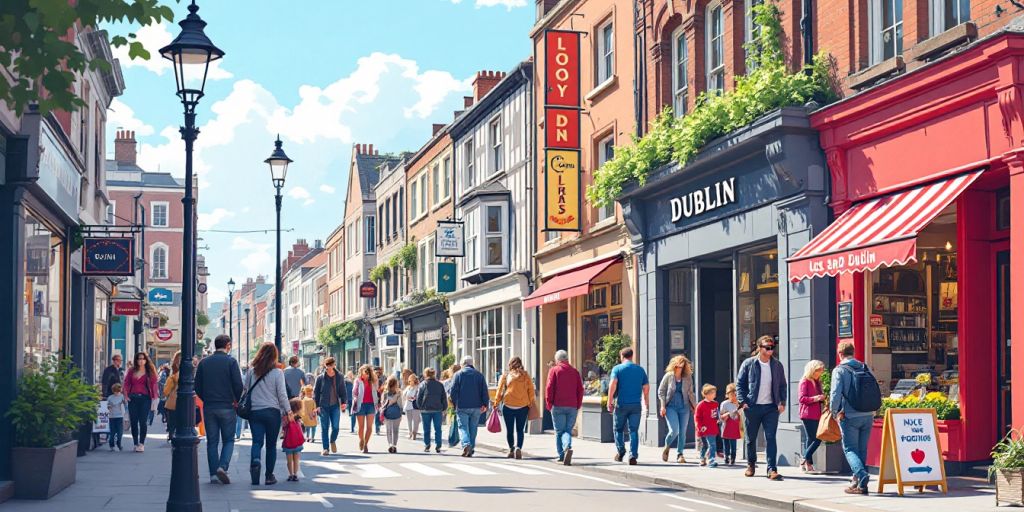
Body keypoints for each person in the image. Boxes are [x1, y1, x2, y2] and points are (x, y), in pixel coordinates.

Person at [736, 335, 787, 480]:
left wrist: (782, 402)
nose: (770, 349)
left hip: (771, 407)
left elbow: (783, 385)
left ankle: (772, 469)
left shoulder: (777, 365)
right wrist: (743, 401)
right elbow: (740, 384)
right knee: (751, 438)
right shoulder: (749, 363)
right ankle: (751, 464)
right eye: (767, 347)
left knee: (770, 438)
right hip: (752, 407)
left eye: (772, 347)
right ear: (759, 348)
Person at [195, 334, 244, 485]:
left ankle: (213, 475)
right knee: (229, 440)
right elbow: (238, 385)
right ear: (228, 345)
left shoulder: (204, 362)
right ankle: (222, 466)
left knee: (212, 442)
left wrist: (206, 398)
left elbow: (197, 386)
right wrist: (236, 399)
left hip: (210, 406)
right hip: (227, 406)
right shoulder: (231, 362)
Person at [830, 341, 877, 495]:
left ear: (840, 354)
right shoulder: (865, 367)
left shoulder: (840, 370)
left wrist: (834, 411)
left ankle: (862, 475)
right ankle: (859, 484)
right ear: (854, 352)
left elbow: (835, 393)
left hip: (849, 414)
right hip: (867, 414)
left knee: (850, 449)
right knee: (862, 449)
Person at [243, 342, 290, 486]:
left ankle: (256, 462)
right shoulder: (277, 373)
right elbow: (282, 394)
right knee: (271, 445)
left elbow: (245, 390)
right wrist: (288, 411)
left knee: (256, 442)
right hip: (272, 412)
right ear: (274, 356)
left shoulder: (251, 372)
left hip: (255, 412)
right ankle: (269, 476)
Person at [607, 347, 649, 465]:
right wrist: (646, 401)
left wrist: (609, 401)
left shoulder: (618, 369)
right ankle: (633, 455)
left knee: (618, 429)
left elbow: (613, 384)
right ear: (632, 356)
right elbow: (646, 387)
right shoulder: (640, 370)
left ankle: (621, 452)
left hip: (621, 404)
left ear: (622, 356)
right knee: (633, 430)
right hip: (636, 405)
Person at [545, 350, 583, 465]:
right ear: (567, 359)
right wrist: (578, 404)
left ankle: (562, 455)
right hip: (572, 405)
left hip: (558, 405)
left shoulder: (554, 370)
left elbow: (549, 388)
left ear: (558, 360)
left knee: (559, 431)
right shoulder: (575, 372)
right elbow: (580, 389)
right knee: (567, 430)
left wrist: (549, 403)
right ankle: (567, 446)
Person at [657, 355, 697, 464]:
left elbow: (690, 393)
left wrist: (695, 406)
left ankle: (680, 454)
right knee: (674, 430)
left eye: (681, 366)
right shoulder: (668, 376)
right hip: (671, 406)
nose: (679, 368)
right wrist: (662, 406)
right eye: (677, 366)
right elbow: (661, 391)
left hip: (684, 406)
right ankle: (667, 445)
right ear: (674, 365)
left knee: (682, 432)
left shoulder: (688, 377)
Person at [494, 356, 536, 460]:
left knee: (509, 430)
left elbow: (499, 390)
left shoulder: (506, 375)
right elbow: (531, 390)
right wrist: (531, 403)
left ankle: (511, 449)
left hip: (508, 406)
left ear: (510, 364)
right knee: (520, 430)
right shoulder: (526, 375)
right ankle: (519, 448)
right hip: (523, 406)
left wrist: (496, 402)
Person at [449, 356, 489, 457]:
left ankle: (466, 444)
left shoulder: (458, 374)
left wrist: (454, 403)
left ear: (463, 364)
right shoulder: (479, 375)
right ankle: (471, 448)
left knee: (463, 427)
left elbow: (453, 391)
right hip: (476, 406)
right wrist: (485, 404)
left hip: (462, 406)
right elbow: (484, 391)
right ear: (472, 364)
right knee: (473, 428)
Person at [123, 352, 158, 452]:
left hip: (145, 398)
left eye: (143, 359)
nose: (141, 361)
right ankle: (135, 443)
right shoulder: (131, 371)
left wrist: (154, 398)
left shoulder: (149, 371)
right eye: (139, 359)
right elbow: (126, 383)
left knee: (143, 422)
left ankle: (141, 443)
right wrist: (126, 396)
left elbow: (154, 384)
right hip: (133, 398)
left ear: (146, 360)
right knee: (133, 421)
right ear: (136, 360)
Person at [313, 356, 348, 456]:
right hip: (323, 406)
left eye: (331, 365)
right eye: (327, 365)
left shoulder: (339, 376)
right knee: (324, 428)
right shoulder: (320, 378)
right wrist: (317, 406)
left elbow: (343, 390)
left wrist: (344, 402)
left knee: (336, 427)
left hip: (335, 405)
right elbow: (316, 393)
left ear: (334, 364)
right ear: (325, 365)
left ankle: (332, 440)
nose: (329, 367)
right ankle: (325, 448)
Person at [799, 360, 827, 473]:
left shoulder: (817, 382)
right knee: (817, 439)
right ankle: (804, 457)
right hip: (807, 414)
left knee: (810, 439)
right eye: (818, 370)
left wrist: (823, 398)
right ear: (812, 370)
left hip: (816, 414)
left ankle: (808, 465)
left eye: (821, 370)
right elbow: (802, 398)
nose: (820, 373)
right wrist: (816, 398)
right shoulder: (805, 381)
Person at [415, 367, 447, 453]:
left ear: (425, 374)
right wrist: (444, 407)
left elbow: (418, 398)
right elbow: (443, 397)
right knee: (438, 428)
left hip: (425, 410)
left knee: (426, 428)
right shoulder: (440, 384)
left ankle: (427, 445)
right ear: (434, 374)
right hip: (437, 409)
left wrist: (420, 407)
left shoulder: (422, 384)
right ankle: (438, 445)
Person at [351, 364, 379, 454]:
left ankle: (365, 444)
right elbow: (354, 391)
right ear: (361, 373)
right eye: (364, 373)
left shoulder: (373, 381)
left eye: (367, 373)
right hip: (361, 405)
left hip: (371, 405)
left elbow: (377, 390)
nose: (365, 375)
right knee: (361, 427)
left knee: (370, 427)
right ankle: (361, 440)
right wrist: (355, 395)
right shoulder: (358, 380)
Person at [694, 384, 720, 468]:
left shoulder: (715, 404)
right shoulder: (701, 405)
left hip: (712, 428)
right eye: (712, 393)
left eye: (715, 393)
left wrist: (718, 419)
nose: (714, 395)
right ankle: (702, 458)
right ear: (706, 394)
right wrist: (700, 427)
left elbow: (716, 414)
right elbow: (697, 417)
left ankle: (711, 460)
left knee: (712, 444)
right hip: (704, 429)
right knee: (704, 445)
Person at [281, 398, 305, 482]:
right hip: (297, 442)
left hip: (288, 441)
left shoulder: (286, 417)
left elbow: (283, 427)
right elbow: (302, 430)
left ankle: (290, 474)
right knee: (296, 460)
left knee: (289, 461)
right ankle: (295, 474)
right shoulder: (299, 418)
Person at [719, 383, 742, 465]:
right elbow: (721, 415)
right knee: (726, 443)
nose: (734, 397)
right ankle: (726, 456)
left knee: (733, 443)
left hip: (734, 426)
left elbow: (741, 415)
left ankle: (733, 457)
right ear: (727, 395)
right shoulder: (724, 404)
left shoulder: (739, 403)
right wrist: (727, 414)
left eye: (735, 395)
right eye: (731, 394)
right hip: (726, 426)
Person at [380, 376, 403, 453]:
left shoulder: (385, 393)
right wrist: (401, 413)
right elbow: (400, 404)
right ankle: (394, 445)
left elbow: (383, 403)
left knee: (388, 430)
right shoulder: (398, 393)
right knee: (395, 430)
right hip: (396, 414)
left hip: (387, 413)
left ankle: (390, 444)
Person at [163, 351, 181, 441]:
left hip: (173, 401)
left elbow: (166, 391)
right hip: (185, 403)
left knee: (172, 420)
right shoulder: (189, 374)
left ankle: (171, 433)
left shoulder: (173, 375)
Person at [107, 383, 126, 451]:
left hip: (120, 416)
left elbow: (125, 404)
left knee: (120, 432)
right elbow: (108, 407)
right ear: (113, 391)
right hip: (112, 417)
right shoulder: (110, 398)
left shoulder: (122, 396)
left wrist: (124, 403)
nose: (117, 393)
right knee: (112, 432)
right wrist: (109, 407)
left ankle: (119, 443)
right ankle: (111, 444)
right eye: (116, 391)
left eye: (118, 391)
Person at [403, 375, 421, 440]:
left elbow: (419, 396)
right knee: (409, 421)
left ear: (415, 380)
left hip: (415, 406)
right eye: (409, 380)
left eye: (412, 380)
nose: (410, 381)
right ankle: (410, 433)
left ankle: (414, 433)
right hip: (408, 405)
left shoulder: (418, 387)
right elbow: (403, 395)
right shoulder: (408, 387)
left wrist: (413, 398)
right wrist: (406, 397)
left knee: (416, 421)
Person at [373, 367, 385, 435]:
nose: (377, 374)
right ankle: (377, 428)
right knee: (377, 413)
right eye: (376, 372)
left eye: (379, 372)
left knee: (381, 413)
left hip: (382, 398)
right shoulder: (372, 380)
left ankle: (379, 424)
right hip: (375, 399)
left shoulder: (383, 379)